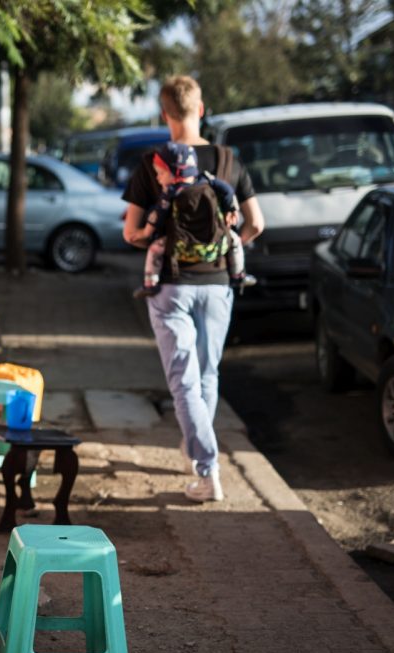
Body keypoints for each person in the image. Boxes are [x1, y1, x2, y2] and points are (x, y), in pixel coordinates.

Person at [123, 75, 265, 502]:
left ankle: (207, 472)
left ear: (164, 114)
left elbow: (131, 233)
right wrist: (223, 247)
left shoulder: (154, 163)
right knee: (206, 375)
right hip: (220, 283)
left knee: (183, 382)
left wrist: (157, 237)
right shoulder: (227, 159)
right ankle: (193, 448)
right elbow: (256, 224)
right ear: (200, 110)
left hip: (172, 286)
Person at [134, 142, 247, 297]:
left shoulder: (170, 192)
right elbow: (227, 190)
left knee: (155, 248)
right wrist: (231, 209)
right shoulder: (207, 180)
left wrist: (146, 232)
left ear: (175, 172)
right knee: (235, 241)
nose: (158, 178)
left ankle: (150, 284)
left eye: (161, 173)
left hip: (179, 245)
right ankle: (238, 275)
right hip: (214, 242)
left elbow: (157, 216)